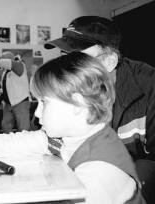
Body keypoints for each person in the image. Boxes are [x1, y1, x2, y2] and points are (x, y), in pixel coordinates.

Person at [0, 52, 145, 204]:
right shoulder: (68, 138)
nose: (36, 112)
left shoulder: (98, 172)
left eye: (44, 103)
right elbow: (6, 143)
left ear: (78, 104)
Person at [44, 15, 155, 203]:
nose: (67, 69)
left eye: (77, 59)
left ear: (110, 61)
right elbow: (49, 141)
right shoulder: (71, 87)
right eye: (64, 57)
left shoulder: (149, 87)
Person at [0, 51, 30, 133]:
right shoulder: (6, 71)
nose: (1, 63)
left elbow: (6, 63)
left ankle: (25, 145)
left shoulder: (19, 65)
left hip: (20, 102)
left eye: (3, 59)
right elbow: (8, 86)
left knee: (23, 129)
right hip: (8, 104)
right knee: (5, 126)